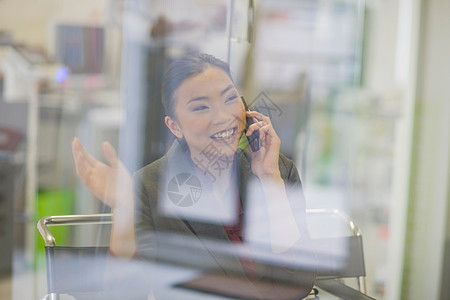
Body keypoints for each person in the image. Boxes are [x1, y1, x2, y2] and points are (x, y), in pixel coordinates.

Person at [72, 53, 314, 297]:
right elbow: (123, 294)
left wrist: (270, 178)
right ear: (175, 126)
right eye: (200, 107)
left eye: (230, 99)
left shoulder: (276, 169)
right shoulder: (150, 187)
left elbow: (299, 283)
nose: (223, 117)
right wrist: (123, 211)